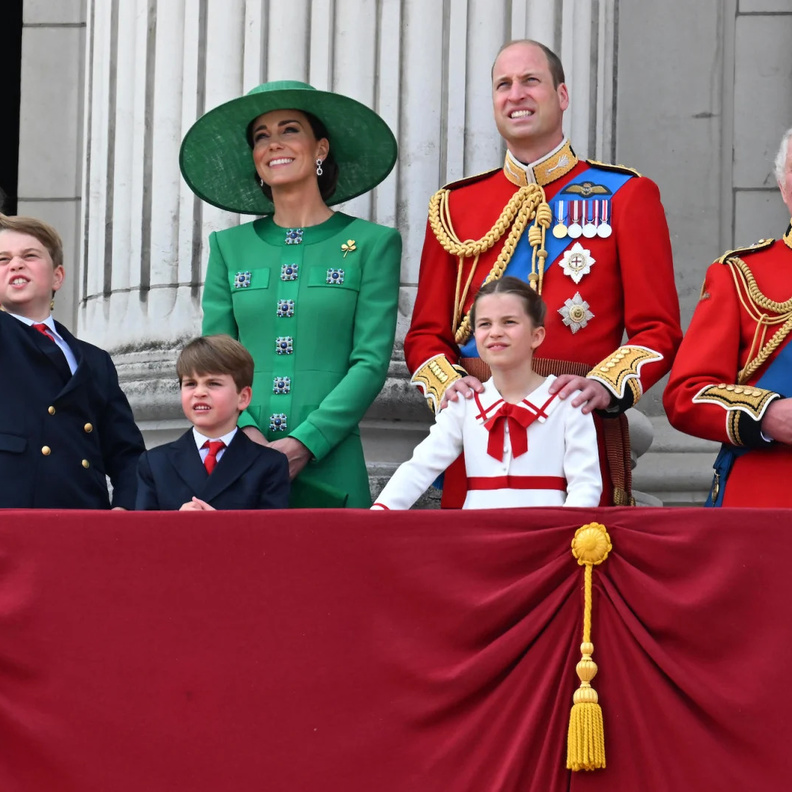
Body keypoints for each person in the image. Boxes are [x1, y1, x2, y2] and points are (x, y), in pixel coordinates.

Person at [404, 39, 681, 507]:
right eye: (503, 85)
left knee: (578, 567)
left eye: (531, 80)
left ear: (562, 96)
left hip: (578, 421)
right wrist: (450, 385)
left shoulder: (625, 195)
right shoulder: (455, 206)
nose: (516, 95)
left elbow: (658, 329)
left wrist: (604, 386)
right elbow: (425, 334)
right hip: (479, 427)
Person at [179, 81, 402, 508]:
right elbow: (215, 363)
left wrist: (307, 441)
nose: (274, 143)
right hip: (242, 455)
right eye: (261, 136)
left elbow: (371, 362)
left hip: (332, 460)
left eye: (289, 130)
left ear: (321, 148)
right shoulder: (229, 247)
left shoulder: (373, 243)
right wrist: (248, 434)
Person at [372, 277, 601, 509]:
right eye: (484, 324)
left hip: (548, 535)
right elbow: (419, 467)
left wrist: (563, 535)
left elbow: (585, 486)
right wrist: (379, 513)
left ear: (536, 336)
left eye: (509, 322)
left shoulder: (567, 401)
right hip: (477, 537)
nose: (495, 332)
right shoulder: (464, 403)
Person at [663, 127, 792, 507]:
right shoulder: (740, 274)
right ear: (785, 191)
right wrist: (766, 415)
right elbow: (687, 394)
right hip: (768, 497)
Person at [0, 213, 144, 509]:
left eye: (30, 256)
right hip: (12, 512)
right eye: (3, 259)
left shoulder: (96, 359)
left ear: (57, 276)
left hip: (83, 514)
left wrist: (127, 509)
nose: (16, 264)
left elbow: (127, 452)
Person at [136, 335, 290, 510]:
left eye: (213, 383)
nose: (199, 392)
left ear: (243, 397)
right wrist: (175, 524)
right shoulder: (155, 463)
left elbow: (272, 534)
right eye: (191, 383)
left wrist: (220, 527)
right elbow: (142, 533)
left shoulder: (269, 464)